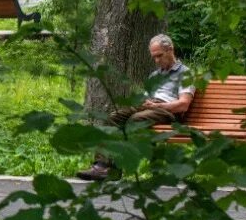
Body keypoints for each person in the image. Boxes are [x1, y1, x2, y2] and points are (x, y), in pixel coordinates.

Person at [79, 33, 195, 181]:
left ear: (170, 50)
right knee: (113, 118)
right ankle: (102, 166)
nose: (156, 60)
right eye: (154, 57)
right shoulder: (155, 75)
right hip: (150, 106)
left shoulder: (185, 73)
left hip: (167, 111)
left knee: (135, 120)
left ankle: (115, 168)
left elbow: (183, 105)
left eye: (159, 56)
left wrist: (158, 105)